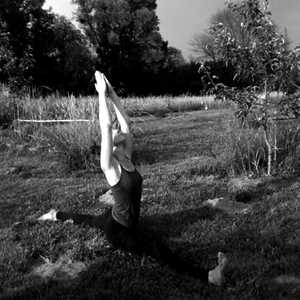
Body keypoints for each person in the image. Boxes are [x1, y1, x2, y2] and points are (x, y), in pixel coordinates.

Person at [39, 71, 227, 285]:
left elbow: (125, 122)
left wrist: (112, 94)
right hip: (119, 230)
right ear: (108, 143)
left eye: (118, 131)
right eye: (114, 132)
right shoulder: (109, 166)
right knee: (156, 247)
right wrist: (100, 94)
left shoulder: (126, 155)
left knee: (92, 220)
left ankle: (55, 214)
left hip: (117, 216)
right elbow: (107, 125)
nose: (118, 129)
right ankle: (210, 277)